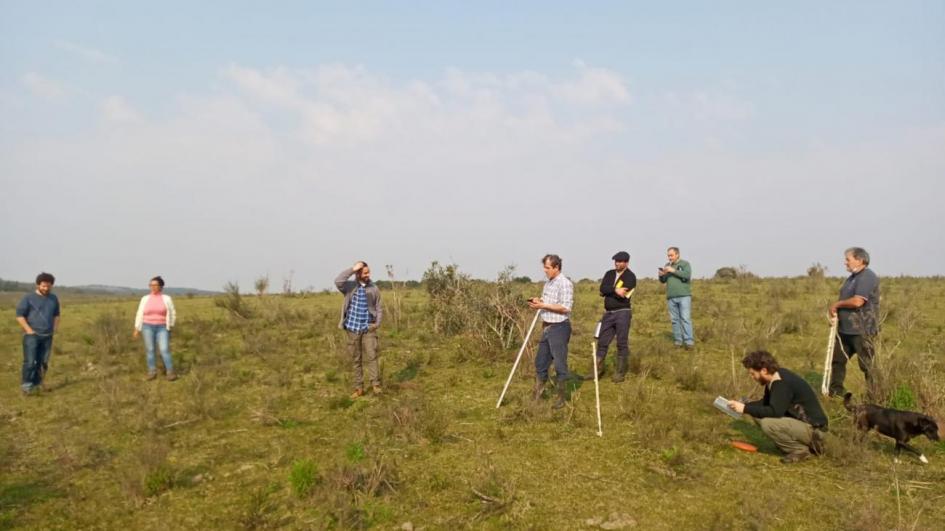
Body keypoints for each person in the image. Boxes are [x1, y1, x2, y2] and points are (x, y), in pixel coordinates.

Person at [728, 350, 828, 463]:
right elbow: (765, 403)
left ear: (764, 370)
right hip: (804, 426)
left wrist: (745, 409)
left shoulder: (781, 383)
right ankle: (788, 444)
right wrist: (744, 406)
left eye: (753, 373)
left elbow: (775, 411)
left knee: (768, 424)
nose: (752, 377)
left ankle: (799, 451)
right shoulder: (775, 377)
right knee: (756, 413)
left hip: (816, 432)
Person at [528, 254, 580, 409]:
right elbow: (549, 302)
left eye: (548, 268)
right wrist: (539, 301)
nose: (545, 270)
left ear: (556, 267)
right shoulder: (548, 283)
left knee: (559, 364)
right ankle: (538, 395)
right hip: (547, 327)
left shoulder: (564, 283)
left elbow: (565, 307)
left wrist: (543, 306)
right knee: (540, 363)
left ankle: (561, 398)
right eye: (544, 267)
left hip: (559, 327)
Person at [827, 247, 880, 397]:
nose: (845, 263)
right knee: (837, 361)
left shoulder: (867, 277)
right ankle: (836, 392)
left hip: (862, 331)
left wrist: (837, 305)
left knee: (867, 366)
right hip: (844, 331)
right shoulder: (851, 278)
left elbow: (858, 301)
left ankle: (874, 395)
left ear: (859, 260)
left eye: (848, 259)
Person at [336, 261, 383, 398]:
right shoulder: (349, 287)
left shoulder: (374, 288)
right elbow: (338, 281)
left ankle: (376, 385)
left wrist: (377, 324)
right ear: (358, 274)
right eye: (365, 272)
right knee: (356, 359)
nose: (368, 275)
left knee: (372, 356)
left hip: (368, 327)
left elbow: (379, 307)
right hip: (352, 328)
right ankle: (359, 388)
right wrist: (352, 268)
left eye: (369, 272)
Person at [15, 272, 61, 395]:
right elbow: (19, 316)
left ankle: (37, 384)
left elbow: (56, 314)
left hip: (47, 336)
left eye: (48, 286)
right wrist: (29, 330)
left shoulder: (53, 298)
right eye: (43, 286)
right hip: (31, 336)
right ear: (37, 285)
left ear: (52, 285)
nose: (46, 288)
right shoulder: (28, 298)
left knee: (43, 362)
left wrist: (55, 328)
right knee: (30, 362)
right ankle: (26, 386)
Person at [595, 251, 637, 382]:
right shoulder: (609, 273)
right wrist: (614, 290)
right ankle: (596, 371)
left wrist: (609, 291)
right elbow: (602, 289)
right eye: (616, 261)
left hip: (623, 312)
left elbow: (623, 294)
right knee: (602, 341)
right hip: (608, 313)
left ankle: (620, 373)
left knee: (621, 342)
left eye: (620, 261)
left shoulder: (630, 277)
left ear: (626, 263)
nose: (617, 263)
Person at [133, 276, 178, 381]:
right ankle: (152, 372)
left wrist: (170, 326)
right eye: (151, 285)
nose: (152, 287)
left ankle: (170, 372)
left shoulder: (167, 298)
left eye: (155, 285)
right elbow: (139, 313)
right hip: (147, 326)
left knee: (164, 349)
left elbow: (172, 313)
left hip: (162, 327)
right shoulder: (145, 299)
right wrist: (136, 328)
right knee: (150, 349)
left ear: (160, 286)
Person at [658, 246, 694, 348]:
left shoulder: (685, 264)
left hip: (684, 296)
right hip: (671, 297)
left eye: (671, 255)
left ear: (677, 254)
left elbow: (687, 275)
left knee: (685, 319)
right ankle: (678, 341)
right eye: (668, 255)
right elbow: (663, 281)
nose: (669, 258)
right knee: (674, 320)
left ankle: (689, 342)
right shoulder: (667, 265)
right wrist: (661, 275)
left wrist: (673, 271)